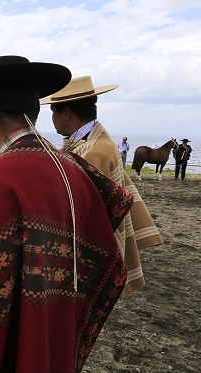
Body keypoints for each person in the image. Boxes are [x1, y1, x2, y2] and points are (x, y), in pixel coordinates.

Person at [0, 56, 135, 373]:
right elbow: (108, 256)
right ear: (34, 109)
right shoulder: (77, 170)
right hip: (59, 326)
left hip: (0, 346)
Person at [41, 75, 163, 297]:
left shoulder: (94, 152)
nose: (51, 118)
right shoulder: (93, 143)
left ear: (66, 112)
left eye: (52, 111)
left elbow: (80, 216)